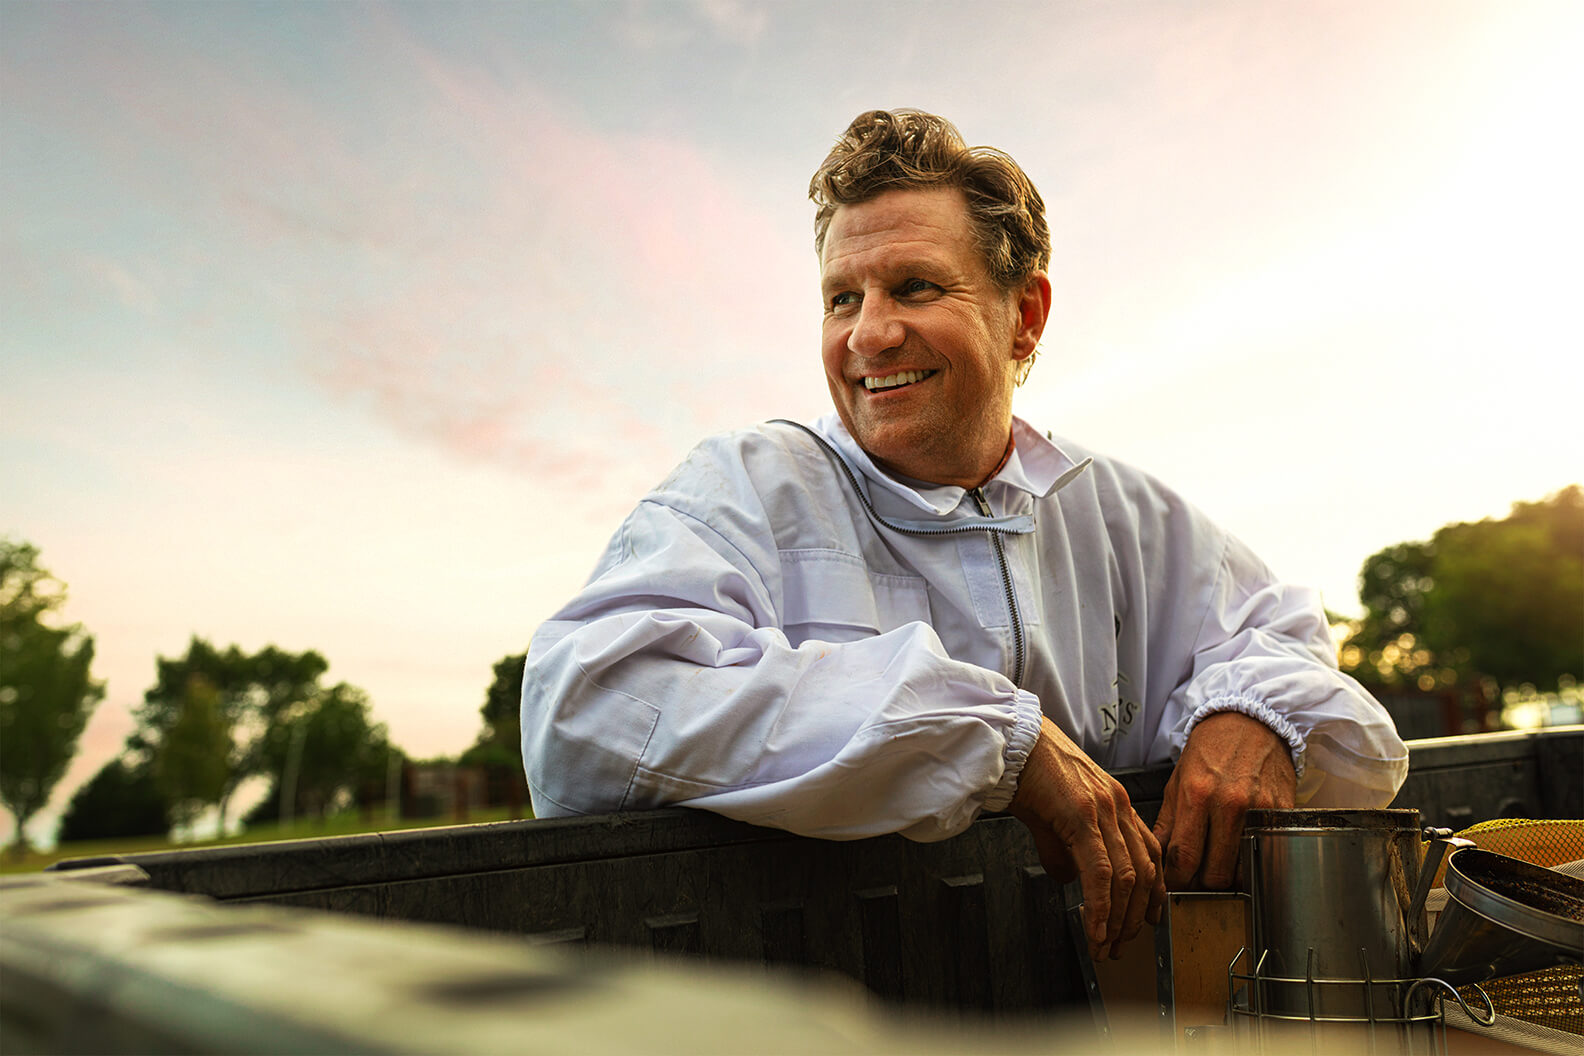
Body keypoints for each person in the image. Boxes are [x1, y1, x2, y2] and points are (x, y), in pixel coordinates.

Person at [521, 109, 1408, 960]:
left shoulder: (1129, 514)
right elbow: (588, 707)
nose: (869, 333)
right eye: (841, 299)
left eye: (913, 286)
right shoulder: (747, 491)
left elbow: (1284, 640)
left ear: (1024, 313)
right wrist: (995, 741)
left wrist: (1252, 714)